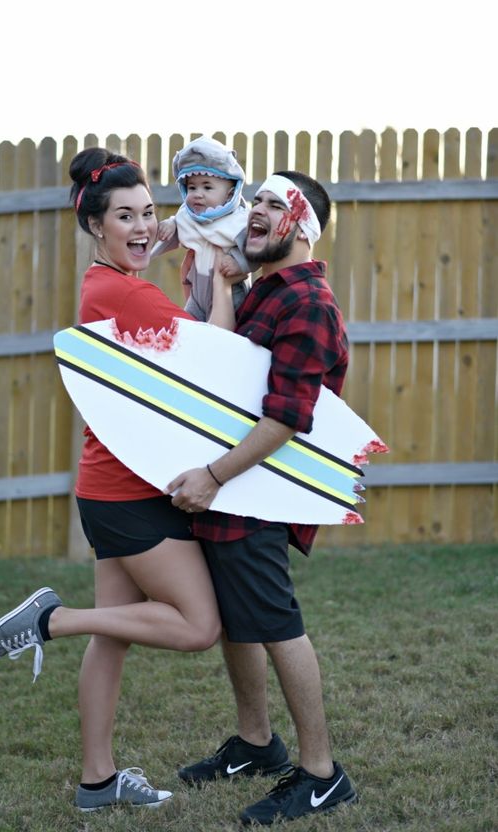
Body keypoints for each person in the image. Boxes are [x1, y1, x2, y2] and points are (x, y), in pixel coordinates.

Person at [0, 147, 221, 814]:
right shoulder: (125, 291)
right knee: (198, 626)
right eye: (124, 217)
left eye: (147, 212)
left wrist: (182, 228)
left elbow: (161, 237)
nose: (142, 227)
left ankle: (96, 780)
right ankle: (53, 620)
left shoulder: (102, 281)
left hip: (113, 486)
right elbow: (211, 359)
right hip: (128, 495)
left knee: (116, 631)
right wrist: (223, 278)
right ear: (94, 224)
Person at [165, 171, 358, 825]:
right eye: (257, 199)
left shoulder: (307, 302)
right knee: (239, 615)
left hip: (258, 493)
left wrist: (214, 476)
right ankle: (256, 743)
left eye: (276, 204)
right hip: (230, 489)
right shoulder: (261, 293)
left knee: (276, 623)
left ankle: (323, 774)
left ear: (302, 227)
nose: (257, 211)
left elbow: (285, 418)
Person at [152, 135, 254, 321]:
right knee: (189, 327)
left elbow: (255, 250)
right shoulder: (189, 215)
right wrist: (171, 225)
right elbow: (181, 221)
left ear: (230, 193)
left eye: (207, 188)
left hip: (231, 292)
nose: (198, 194)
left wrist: (239, 262)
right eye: (192, 188)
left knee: (228, 336)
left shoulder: (238, 221)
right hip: (197, 293)